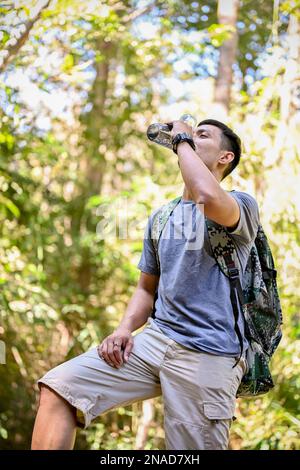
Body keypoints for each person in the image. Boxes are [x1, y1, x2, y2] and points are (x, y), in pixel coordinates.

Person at [31, 119, 259, 450]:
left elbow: (207, 196)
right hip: (154, 341)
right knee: (60, 389)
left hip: (208, 353)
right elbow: (146, 289)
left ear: (225, 157)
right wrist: (124, 329)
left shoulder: (241, 205)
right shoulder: (162, 217)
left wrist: (181, 137)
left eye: (202, 135)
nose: (192, 137)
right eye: (190, 133)